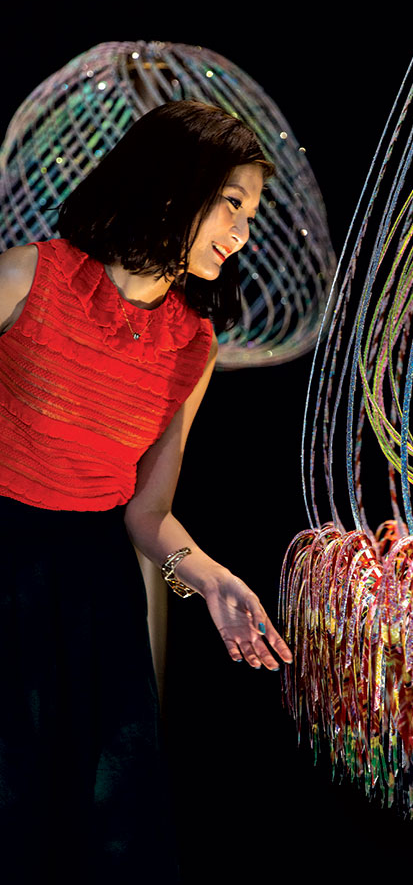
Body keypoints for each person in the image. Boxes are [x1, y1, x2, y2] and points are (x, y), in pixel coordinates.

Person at [0, 100, 293, 883]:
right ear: (174, 182)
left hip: (95, 591)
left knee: (108, 831)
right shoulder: (29, 276)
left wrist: (210, 579)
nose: (241, 233)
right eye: (232, 203)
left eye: (251, 215)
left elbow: (147, 513)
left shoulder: (192, 345)